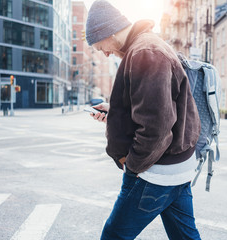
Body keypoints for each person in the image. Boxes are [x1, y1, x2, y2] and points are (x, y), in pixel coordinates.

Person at [86, 1, 201, 239]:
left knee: (114, 236)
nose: (104, 53)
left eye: (100, 46)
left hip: (155, 172)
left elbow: (156, 126)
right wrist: (114, 112)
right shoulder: (146, 47)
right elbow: (155, 108)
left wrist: (133, 165)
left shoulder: (144, 53)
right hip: (175, 168)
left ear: (111, 30)